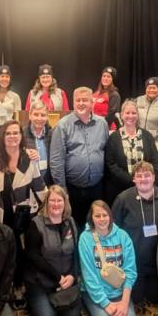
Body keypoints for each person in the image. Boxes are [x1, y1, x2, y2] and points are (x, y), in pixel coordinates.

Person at [0, 119, 44, 298]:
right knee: (3, 253)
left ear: (21, 136)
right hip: (0, 216)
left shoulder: (28, 158)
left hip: (23, 215)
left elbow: (39, 186)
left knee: (21, 252)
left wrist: (54, 204)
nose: (12, 136)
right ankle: (4, 288)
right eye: (8, 133)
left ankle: (19, 287)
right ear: (3, 136)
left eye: (16, 132)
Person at [111, 162, 158, 306]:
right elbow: (114, 229)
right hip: (134, 263)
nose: (143, 179)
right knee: (136, 299)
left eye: (147, 175)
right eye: (139, 176)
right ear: (133, 179)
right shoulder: (123, 199)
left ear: (154, 177)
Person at [23, 185, 82, 316]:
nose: (56, 204)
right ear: (47, 202)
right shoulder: (36, 224)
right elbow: (33, 256)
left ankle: (54, 301)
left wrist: (72, 275)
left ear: (65, 202)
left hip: (65, 279)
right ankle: (34, 298)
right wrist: (58, 277)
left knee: (73, 315)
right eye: (52, 200)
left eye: (59, 200)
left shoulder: (71, 222)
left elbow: (76, 253)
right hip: (41, 281)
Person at [50, 87, 109, 225]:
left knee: (96, 225)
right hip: (72, 189)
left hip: (97, 188)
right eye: (78, 100)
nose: (81, 103)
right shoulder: (62, 126)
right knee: (74, 226)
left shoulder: (102, 124)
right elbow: (56, 161)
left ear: (92, 102)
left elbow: (105, 152)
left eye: (85, 100)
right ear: (73, 102)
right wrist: (62, 191)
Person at [78, 200, 137, 316]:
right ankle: (88, 305)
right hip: (96, 293)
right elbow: (89, 276)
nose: (102, 219)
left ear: (110, 216)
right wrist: (106, 304)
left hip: (120, 292)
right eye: (97, 216)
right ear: (91, 218)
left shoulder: (123, 236)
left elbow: (130, 271)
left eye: (105, 215)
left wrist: (124, 302)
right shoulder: (85, 239)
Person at [103, 99, 158, 203]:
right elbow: (111, 164)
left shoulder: (147, 136)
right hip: (121, 190)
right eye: (127, 113)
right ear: (122, 115)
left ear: (138, 115)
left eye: (134, 113)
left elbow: (156, 162)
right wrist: (132, 180)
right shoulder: (114, 137)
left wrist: (146, 180)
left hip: (146, 189)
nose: (130, 116)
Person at [24, 101, 54, 185]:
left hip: (49, 182)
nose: (39, 118)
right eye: (36, 114)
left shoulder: (53, 134)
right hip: (29, 182)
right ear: (30, 115)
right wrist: (25, 153)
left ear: (47, 116)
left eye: (43, 115)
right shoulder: (21, 134)